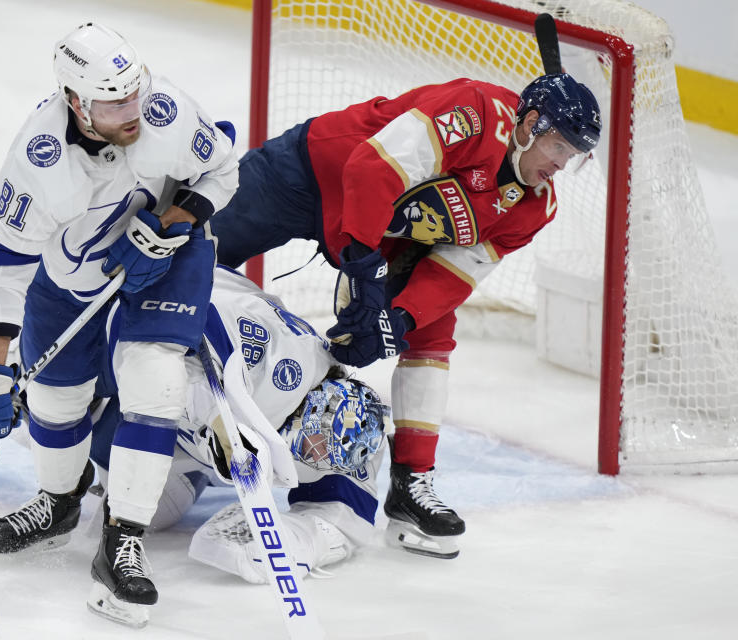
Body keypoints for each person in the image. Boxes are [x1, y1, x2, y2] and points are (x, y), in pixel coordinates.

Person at [209, 73, 602, 558]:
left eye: (572, 155)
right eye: (559, 146)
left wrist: (399, 319)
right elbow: (371, 169)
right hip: (311, 173)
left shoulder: (534, 208)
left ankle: (412, 481)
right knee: (192, 250)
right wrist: (365, 272)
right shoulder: (473, 114)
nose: (561, 165)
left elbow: (455, 273)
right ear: (532, 123)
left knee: (434, 332)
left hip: (395, 243)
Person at [0, 20, 237, 612]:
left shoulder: (162, 110)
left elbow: (223, 169)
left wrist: (176, 223)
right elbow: (3, 262)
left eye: (133, 91)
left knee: (153, 379)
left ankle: (122, 542)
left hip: (169, 260)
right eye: (114, 103)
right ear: (74, 102)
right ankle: (60, 503)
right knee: (56, 400)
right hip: (69, 278)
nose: (132, 109)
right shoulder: (38, 158)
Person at [82, 267, 388, 626]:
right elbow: (181, 321)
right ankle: (61, 460)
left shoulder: (356, 442)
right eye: (316, 432)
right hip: (131, 308)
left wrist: (292, 538)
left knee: (157, 514)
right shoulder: (283, 358)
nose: (317, 447)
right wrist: (214, 420)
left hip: (189, 447)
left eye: (319, 449)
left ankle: (179, 472)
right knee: (74, 402)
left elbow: (346, 522)